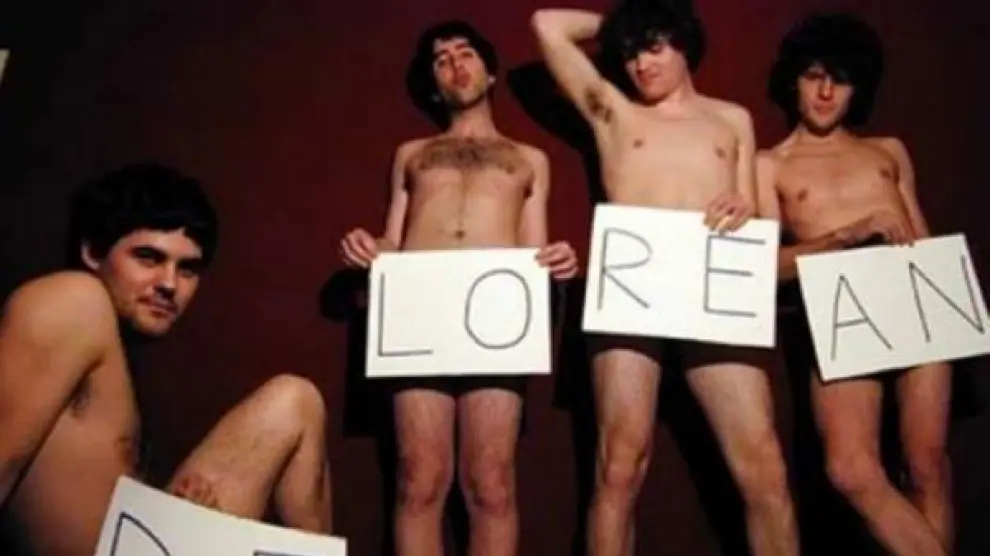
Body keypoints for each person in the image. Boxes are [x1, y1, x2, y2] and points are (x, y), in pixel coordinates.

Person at [531, 1, 799, 555]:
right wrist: (626, 26)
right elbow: (546, 25)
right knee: (619, 464)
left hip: (714, 287)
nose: (640, 64)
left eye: (653, 48)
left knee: (764, 467)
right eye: (630, 53)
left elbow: (756, 215)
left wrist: (744, 206)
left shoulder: (732, 119)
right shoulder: (613, 111)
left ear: (684, 45)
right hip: (633, 288)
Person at [0, 164, 334, 556]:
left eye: (187, 268)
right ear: (92, 251)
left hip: (136, 547)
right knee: (294, 400)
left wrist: (178, 506)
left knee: (296, 403)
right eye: (148, 258)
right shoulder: (72, 299)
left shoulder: (110, 348)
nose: (169, 284)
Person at [339, 20, 577, 556]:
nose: (455, 64)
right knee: (419, 479)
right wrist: (368, 247)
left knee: (490, 484)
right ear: (433, 84)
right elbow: (393, 239)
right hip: (419, 313)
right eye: (441, 60)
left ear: (489, 73)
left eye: (465, 53)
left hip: (498, 315)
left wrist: (555, 259)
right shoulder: (412, 153)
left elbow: (533, 249)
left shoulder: (529, 158)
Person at [758, 12, 952, 556]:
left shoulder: (887, 150)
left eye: (839, 80)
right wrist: (848, 234)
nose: (825, 93)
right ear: (794, 80)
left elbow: (921, 237)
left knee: (926, 466)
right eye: (814, 76)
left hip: (914, 295)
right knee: (850, 469)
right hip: (839, 305)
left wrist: (954, 301)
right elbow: (766, 268)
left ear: (857, 87)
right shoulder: (770, 164)